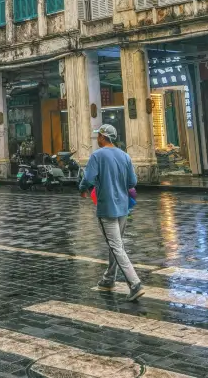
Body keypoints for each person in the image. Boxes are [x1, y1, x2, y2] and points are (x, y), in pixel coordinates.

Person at [79, 124, 145, 300]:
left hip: (106, 207)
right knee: (115, 244)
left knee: (116, 246)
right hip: (123, 207)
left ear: (103, 136)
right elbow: (132, 181)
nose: (97, 139)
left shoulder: (97, 156)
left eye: (98, 136)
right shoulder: (125, 156)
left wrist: (83, 188)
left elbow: (88, 178)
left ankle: (135, 283)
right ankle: (109, 279)